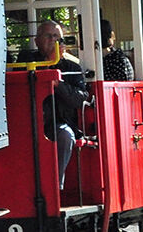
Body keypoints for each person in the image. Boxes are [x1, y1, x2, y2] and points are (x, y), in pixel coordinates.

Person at [35, 20, 91, 186]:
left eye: (56, 37)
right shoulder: (26, 60)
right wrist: (49, 66)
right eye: (48, 36)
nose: (53, 40)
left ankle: (55, 187)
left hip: (59, 122)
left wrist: (59, 84)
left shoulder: (72, 67)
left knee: (66, 136)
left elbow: (79, 98)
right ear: (37, 40)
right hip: (31, 121)